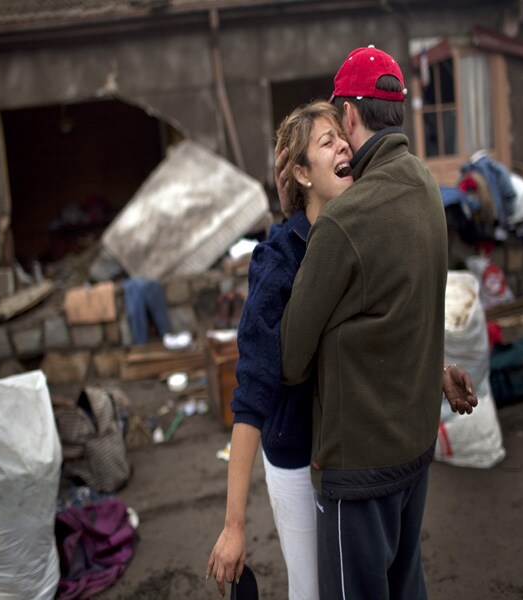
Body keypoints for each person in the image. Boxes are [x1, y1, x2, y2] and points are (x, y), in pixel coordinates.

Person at [206, 97, 476, 598]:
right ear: (303, 174)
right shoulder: (279, 261)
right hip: (297, 451)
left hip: (351, 455)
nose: (344, 147)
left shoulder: (362, 229)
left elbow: (369, 336)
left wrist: (433, 369)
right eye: (326, 142)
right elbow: (253, 392)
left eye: (342, 137)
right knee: (312, 590)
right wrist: (234, 524)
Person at [278, 45, 464, 599]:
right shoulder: (425, 186)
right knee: (405, 587)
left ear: (352, 116)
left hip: (359, 467)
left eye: (338, 126)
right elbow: (410, 305)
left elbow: (290, 358)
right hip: (414, 448)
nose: (338, 140)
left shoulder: (344, 221)